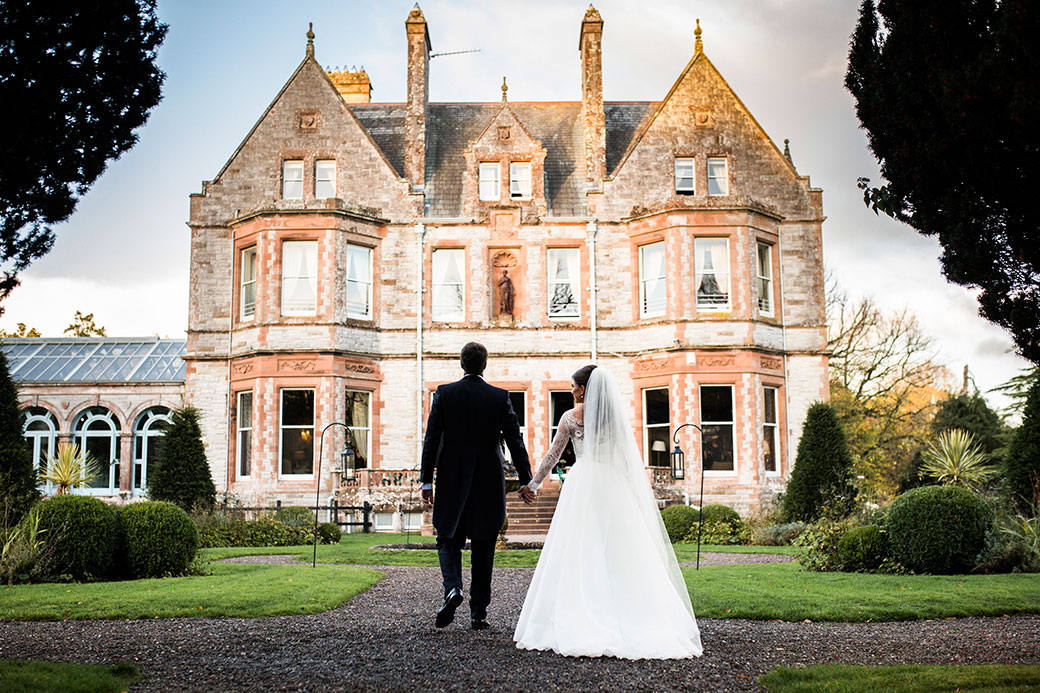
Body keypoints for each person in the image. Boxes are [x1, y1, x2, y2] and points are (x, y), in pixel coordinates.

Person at [514, 365, 703, 659]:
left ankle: (582, 612)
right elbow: (627, 459)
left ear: (585, 388)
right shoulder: (615, 419)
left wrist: (534, 484)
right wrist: (632, 493)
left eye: (574, 386)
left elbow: (553, 454)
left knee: (580, 548)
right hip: (612, 485)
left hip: (584, 483)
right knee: (620, 550)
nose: (572, 390)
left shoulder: (570, 418)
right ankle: (626, 614)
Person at [420, 342, 535, 630]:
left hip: (451, 477)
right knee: (484, 544)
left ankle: (452, 588)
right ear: (485, 365)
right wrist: (525, 479)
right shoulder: (499, 397)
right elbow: (514, 440)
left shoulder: (445, 394)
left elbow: (431, 439)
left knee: (447, 537)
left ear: (462, 364)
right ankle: (478, 613)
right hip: (487, 479)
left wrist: (425, 480)